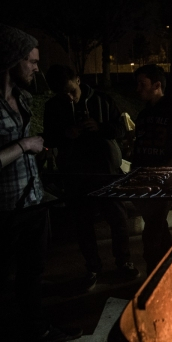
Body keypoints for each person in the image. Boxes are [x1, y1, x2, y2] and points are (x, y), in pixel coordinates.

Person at [0, 24, 82, 341]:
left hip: (34, 200)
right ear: (11, 59)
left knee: (32, 273)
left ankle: (38, 329)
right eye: (31, 61)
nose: (37, 67)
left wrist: (39, 150)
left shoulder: (21, 97)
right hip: (5, 209)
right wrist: (24, 146)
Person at [44, 64, 139, 291]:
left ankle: (123, 261)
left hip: (106, 171)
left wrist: (101, 127)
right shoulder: (53, 107)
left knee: (117, 218)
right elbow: (49, 137)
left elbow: (120, 129)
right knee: (83, 223)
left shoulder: (102, 100)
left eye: (71, 91)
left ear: (78, 80)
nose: (69, 97)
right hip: (75, 174)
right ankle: (93, 268)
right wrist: (66, 134)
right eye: (62, 94)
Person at [130, 64, 172, 272]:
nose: (138, 89)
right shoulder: (144, 114)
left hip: (165, 179)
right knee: (157, 226)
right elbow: (140, 145)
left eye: (142, 84)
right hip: (143, 177)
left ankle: (152, 273)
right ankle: (170, 266)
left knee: (152, 230)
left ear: (157, 85)